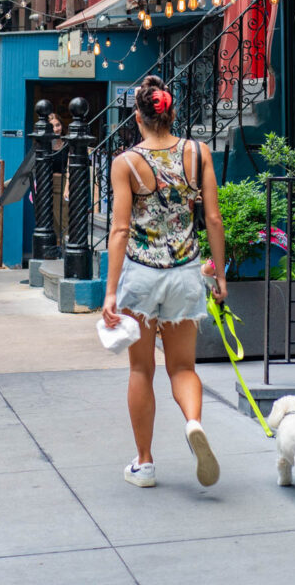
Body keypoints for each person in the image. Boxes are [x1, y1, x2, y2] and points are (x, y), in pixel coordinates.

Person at [102, 74, 227, 489]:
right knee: (183, 367)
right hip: (186, 274)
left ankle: (144, 463)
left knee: (141, 369)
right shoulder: (198, 153)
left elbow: (120, 230)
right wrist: (219, 274)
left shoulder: (126, 163)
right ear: (172, 114)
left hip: (141, 275)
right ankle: (193, 422)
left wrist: (110, 291)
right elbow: (213, 218)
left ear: (138, 118)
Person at [48, 111, 70, 251]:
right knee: (53, 218)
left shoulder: (67, 143)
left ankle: (66, 246)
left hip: (63, 182)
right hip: (49, 184)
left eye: (58, 125)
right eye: (52, 126)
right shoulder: (46, 145)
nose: (56, 129)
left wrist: (67, 186)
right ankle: (58, 246)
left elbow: (69, 166)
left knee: (64, 216)